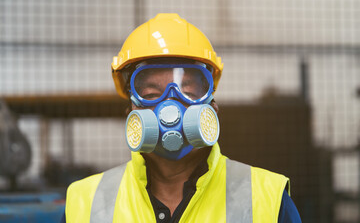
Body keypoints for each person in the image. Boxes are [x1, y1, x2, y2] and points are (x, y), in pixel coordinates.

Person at [63, 13, 301, 222]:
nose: (170, 105)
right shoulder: (85, 203)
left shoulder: (268, 199)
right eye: (151, 94)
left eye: (187, 92)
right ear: (131, 111)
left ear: (212, 106)